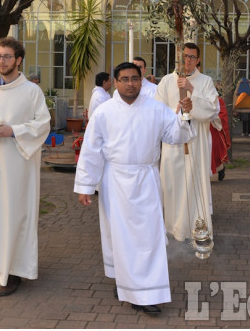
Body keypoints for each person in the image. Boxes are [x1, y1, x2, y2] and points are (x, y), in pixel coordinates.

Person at [74, 62, 196, 315]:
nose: (130, 84)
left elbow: (177, 136)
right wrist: (86, 185)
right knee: (120, 237)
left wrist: (184, 115)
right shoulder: (104, 112)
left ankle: (146, 292)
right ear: (115, 82)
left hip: (146, 180)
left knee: (148, 238)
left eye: (135, 79)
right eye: (124, 79)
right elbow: (91, 151)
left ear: (142, 81)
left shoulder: (156, 108)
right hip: (115, 182)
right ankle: (126, 283)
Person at [0, 37, 51, 297]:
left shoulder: (31, 92)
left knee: (18, 215)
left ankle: (15, 271)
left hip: (20, 167)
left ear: (18, 60)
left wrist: (13, 130)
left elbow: (43, 124)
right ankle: (2, 267)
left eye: (7, 56)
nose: (2, 61)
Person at [155, 42, 218, 241]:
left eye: (192, 57)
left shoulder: (205, 81)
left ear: (198, 60)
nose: (187, 60)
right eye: (185, 56)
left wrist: (192, 94)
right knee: (172, 184)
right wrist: (176, 112)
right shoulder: (166, 81)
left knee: (193, 184)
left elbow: (213, 110)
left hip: (196, 144)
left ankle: (196, 228)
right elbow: (157, 112)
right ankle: (173, 228)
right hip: (173, 144)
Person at [210, 91, 231, 181]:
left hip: (214, 129)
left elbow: (223, 115)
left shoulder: (219, 100)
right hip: (202, 129)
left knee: (214, 152)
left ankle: (220, 169)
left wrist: (211, 117)